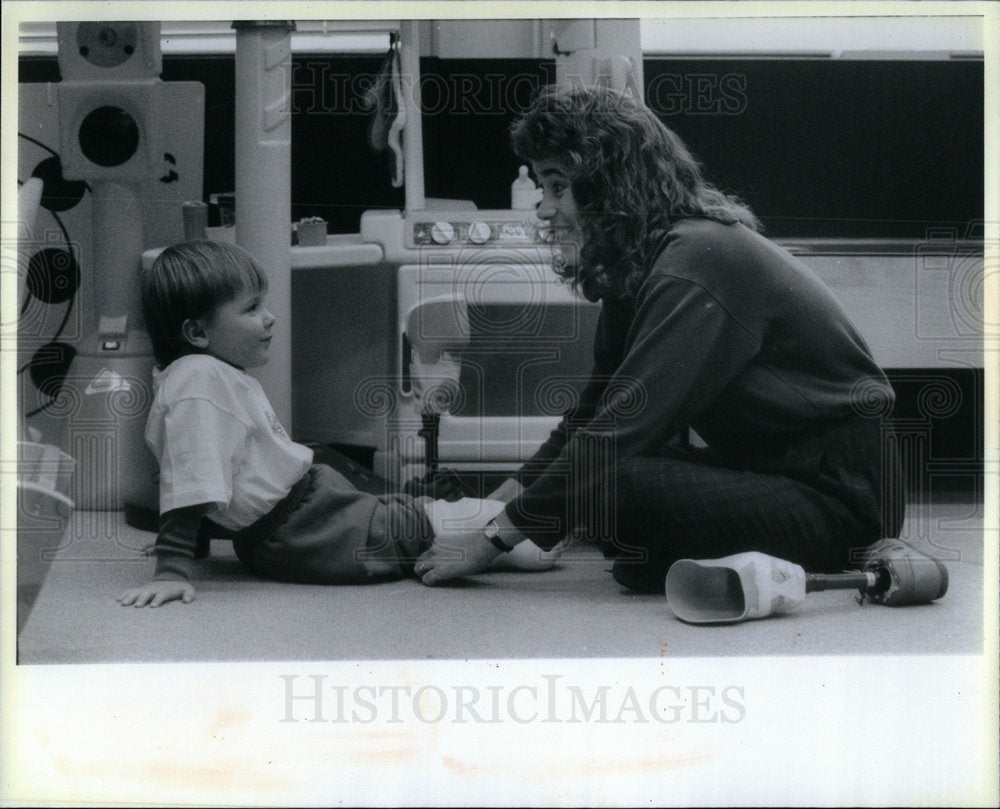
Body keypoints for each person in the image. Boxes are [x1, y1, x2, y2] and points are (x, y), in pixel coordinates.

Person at [415, 85, 902, 592]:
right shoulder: (644, 262)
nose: (543, 208)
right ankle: (668, 555)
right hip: (774, 475)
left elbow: (623, 427)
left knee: (608, 483)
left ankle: (679, 555)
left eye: (557, 186)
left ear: (609, 185)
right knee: (601, 487)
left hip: (841, 503)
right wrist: (495, 508)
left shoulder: (697, 260)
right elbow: (590, 413)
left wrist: (492, 539)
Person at [118, 240, 554, 608]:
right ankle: (528, 541)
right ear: (196, 332)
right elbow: (193, 478)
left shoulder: (201, 375)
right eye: (251, 309)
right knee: (452, 528)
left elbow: (211, 477)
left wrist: (190, 546)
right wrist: (171, 567)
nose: (268, 318)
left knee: (418, 515)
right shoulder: (198, 381)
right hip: (305, 529)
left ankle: (505, 529)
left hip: (307, 513)